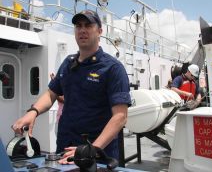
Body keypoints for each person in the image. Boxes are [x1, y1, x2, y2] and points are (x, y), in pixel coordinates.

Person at [12, 9, 131, 164]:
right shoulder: (68, 63)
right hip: (65, 148)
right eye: (78, 26)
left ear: (100, 31)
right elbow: (51, 94)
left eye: (88, 25)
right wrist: (33, 112)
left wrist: (91, 150)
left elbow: (120, 117)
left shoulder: (113, 68)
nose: (82, 30)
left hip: (97, 154)